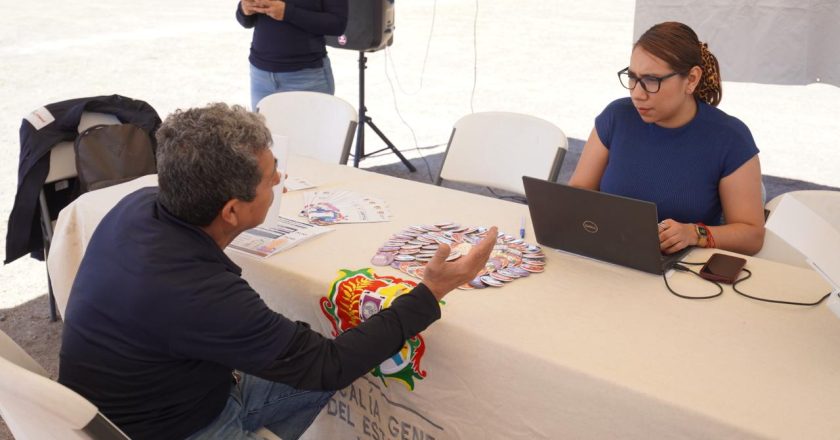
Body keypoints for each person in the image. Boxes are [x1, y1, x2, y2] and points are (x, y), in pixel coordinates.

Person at [58, 103, 497, 440]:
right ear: (231, 210)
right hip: (170, 429)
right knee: (332, 359)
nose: (280, 180)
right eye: (270, 178)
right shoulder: (200, 293)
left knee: (311, 344)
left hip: (106, 408)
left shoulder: (138, 207)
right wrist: (431, 291)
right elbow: (329, 367)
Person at [569, 21, 765, 256]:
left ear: (691, 79)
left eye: (652, 80)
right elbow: (577, 195)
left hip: (679, 273)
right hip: (610, 255)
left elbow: (752, 235)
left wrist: (694, 233)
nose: (637, 94)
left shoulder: (730, 138)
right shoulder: (616, 117)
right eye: (632, 77)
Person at [236, 0, 348, 110]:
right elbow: (246, 21)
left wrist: (288, 12)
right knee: (263, 128)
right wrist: (244, 9)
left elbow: (337, 24)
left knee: (310, 128)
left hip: (306, 77)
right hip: (261, 76)